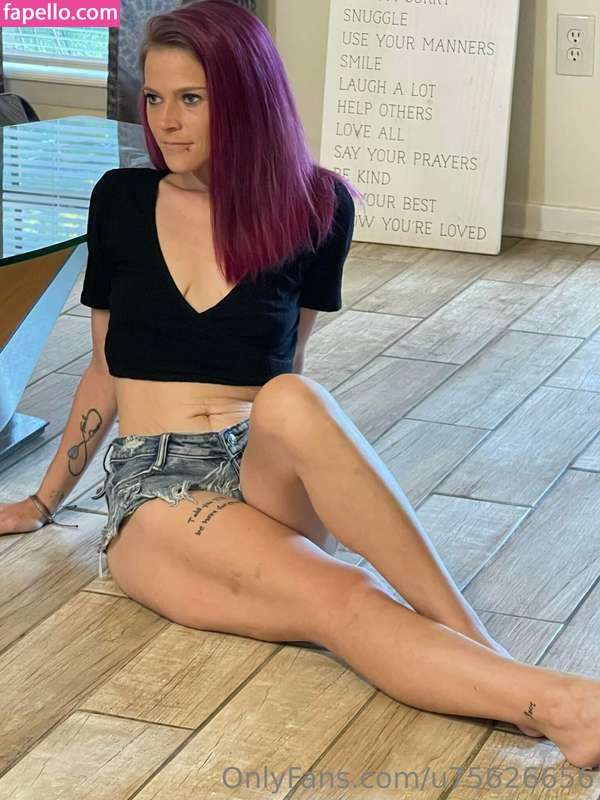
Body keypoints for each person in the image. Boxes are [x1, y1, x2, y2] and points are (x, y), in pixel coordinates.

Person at [0, 0, 598, 771]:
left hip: (263, 464)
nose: (166, 123)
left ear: (246, 99)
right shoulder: (122, 199)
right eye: (154, 98)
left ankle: (480, 649)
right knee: (342, 596)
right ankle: (558, 704)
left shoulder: (318, 205)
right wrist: (45, 500)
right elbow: (104, 366)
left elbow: (289, 363)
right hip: (160, 486)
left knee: (289, 397)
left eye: (191, 98)